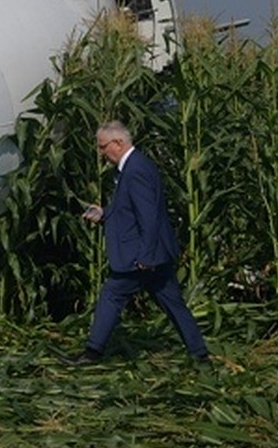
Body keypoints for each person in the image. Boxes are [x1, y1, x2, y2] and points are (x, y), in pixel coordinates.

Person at [66, 120, 209, 365]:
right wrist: (105, 214)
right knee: (173, 303)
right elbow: (131, 210)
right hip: (153, 255)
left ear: (118, 143)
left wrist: (145, 256)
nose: (101, 153)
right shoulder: (136, 166)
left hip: (140, 256)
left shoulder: (135, 170)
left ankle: (92, 352)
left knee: (111, 295)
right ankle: (200, 354)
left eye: (103, 147)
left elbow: (149, 216)